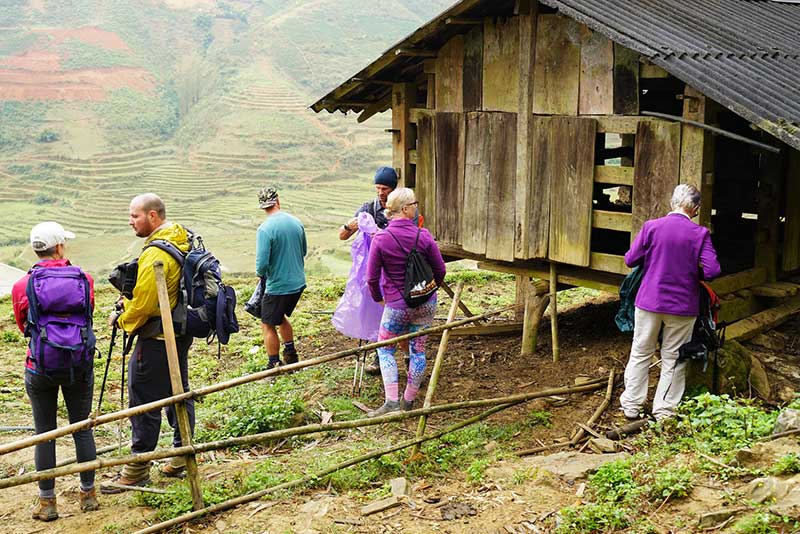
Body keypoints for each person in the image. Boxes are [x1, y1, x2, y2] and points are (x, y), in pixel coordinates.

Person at [101, 193, 194, 493]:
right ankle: (182, 454)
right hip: (179, 332)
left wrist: (121, 319)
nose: (131, 221)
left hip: (155, 336)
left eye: (135, 216)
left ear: (153, 216)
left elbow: (142, 305)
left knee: (143, 399)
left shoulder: (156, 254)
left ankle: (138, 466)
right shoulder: (182, 238)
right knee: (177, 390)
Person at [12, 222, 99, 520]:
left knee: (44, 433)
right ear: (60, 246)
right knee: (81, 428)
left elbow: (23, 325)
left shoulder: (22, 285)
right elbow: (88, 316)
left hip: (39, 366)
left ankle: (47, 503)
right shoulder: (84, 279)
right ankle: (88, 495)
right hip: (79, 364)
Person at [619, 184, 721, 421]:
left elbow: (630, 259)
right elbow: (713, 270)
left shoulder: (651, 227)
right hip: (683, 306)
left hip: (648, 302)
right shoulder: (699, 234)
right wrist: (693, 273)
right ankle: (664, 411)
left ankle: (632, 406)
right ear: (695, 208)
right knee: (674, 357)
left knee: (641, 352)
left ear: (672, 203)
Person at [365, 188, 446, 416]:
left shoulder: (381, 239)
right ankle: (408, 401)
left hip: (397, 306)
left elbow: (372, 277)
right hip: (426, 303)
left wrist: (379, 299)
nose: (416, 206)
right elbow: (440, 270)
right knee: (418, 350)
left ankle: (391, 401)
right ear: (405, 209)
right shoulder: (424, 236)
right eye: (414, 203)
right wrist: (428, 292)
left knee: (385, 349)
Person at [255, 186, 307, 369]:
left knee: (267, 322)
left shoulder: (265, 229)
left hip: (278, 286)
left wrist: (261, 274)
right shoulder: (296, 222)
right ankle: (291, 354)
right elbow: (304, 251)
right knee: (280, 316)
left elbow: (261, 264)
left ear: (262, 206)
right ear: (278, 201)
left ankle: (273, 363)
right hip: (298, 283)